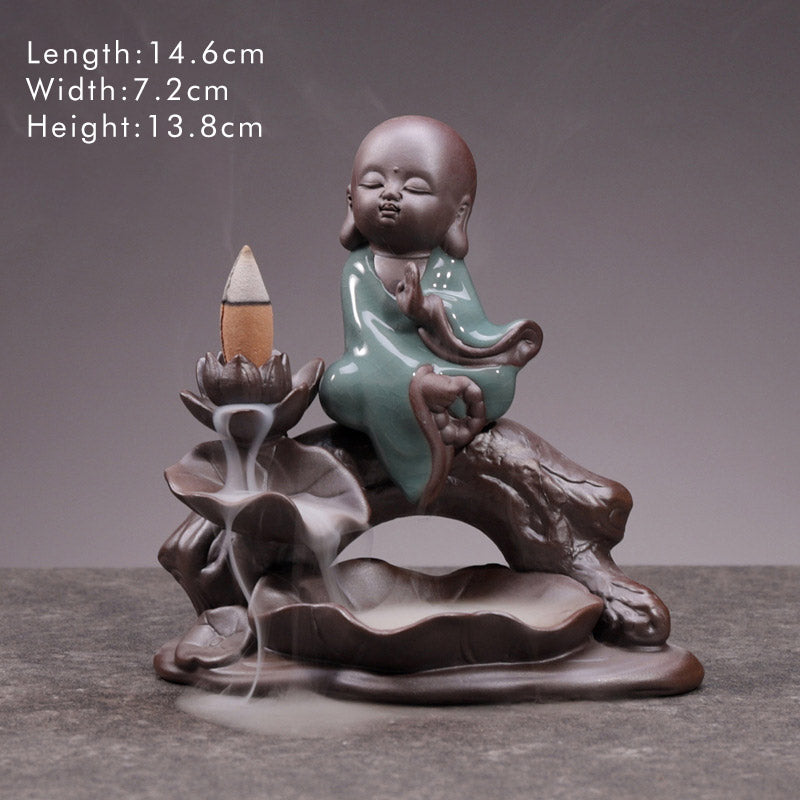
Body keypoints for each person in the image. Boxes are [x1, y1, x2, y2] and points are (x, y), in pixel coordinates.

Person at [320, 116, 541, 505]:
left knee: (496, 381)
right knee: (337, 384)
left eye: (415, 188)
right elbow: (364, 341)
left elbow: (471, 326)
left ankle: (427, 393)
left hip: (446, 369)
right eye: (373, 184)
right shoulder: (358, 269)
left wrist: (427, 309)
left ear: (458, 214)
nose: (390, 194)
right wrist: (415, 378)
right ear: (351, 201)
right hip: (382, 371)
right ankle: (424, 394)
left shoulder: (447, 268)